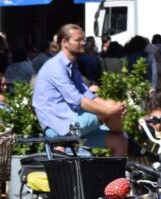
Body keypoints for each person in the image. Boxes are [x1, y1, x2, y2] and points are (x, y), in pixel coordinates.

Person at [33, 24, 127, 157]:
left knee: (120, 141)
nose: (83, 43)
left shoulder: (72, 67)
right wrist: (111, 111)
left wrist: (115, 108)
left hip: (74, 124)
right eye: (78, 40)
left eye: (83, 39)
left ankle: (115, 178)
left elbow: (90, 96)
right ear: (65, 42)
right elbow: (78, 100)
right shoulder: (55, 66)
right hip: (61, 130)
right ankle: (123, 134)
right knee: (110, 109)